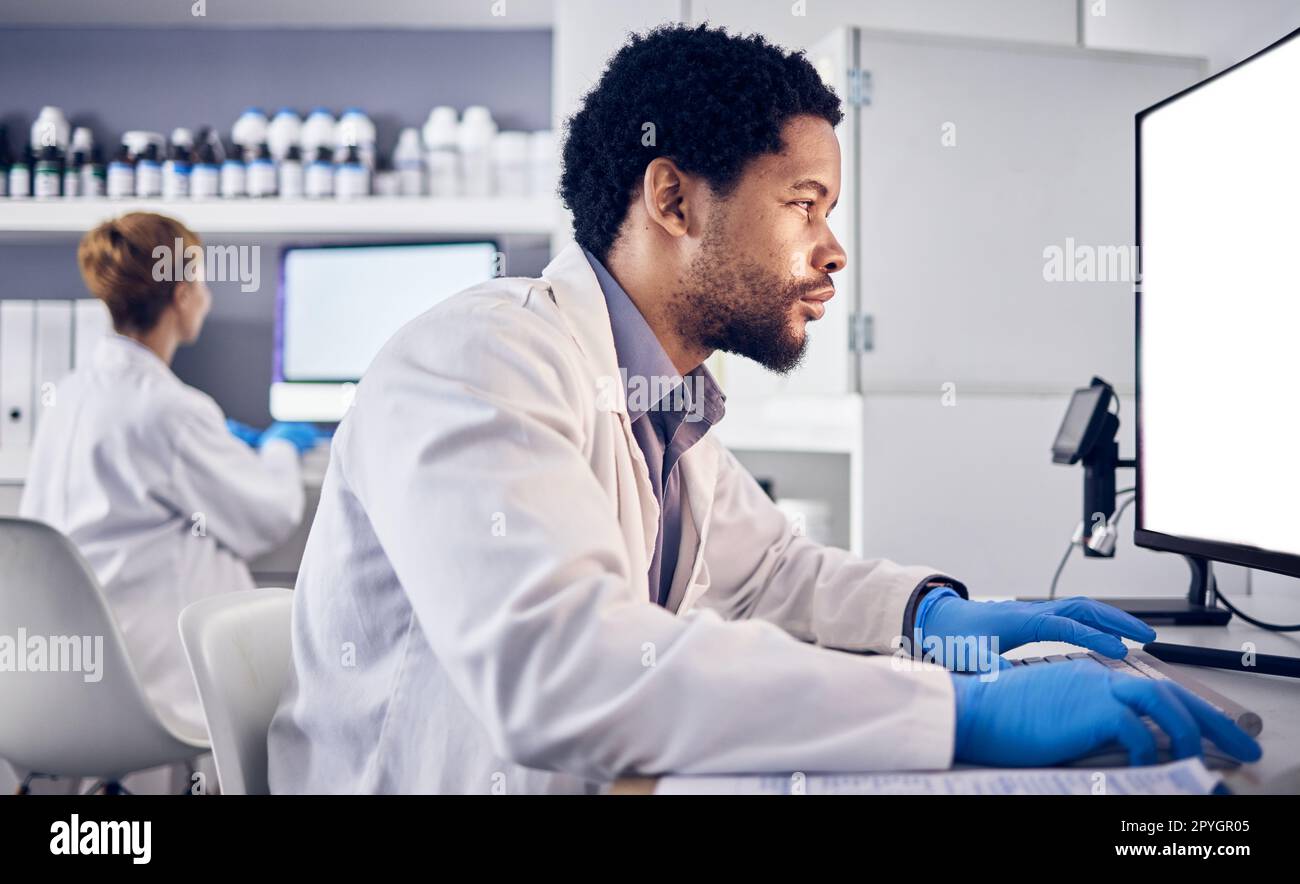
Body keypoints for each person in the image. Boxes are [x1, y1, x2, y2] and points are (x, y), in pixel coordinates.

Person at [267, 25, 1260, 794]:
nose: (833, 250)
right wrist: (958, 709)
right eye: (804, 203)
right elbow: (558, 669)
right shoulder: (482, 358)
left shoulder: (664, 398)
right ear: (674, 201)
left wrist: (936, 617)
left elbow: (774, 572)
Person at [21, 211, 317, 733]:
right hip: (153, 690)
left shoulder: (68, 393)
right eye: (201, 280)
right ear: (181, 295)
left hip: (52, 692)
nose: (207, 295)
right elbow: (271, 515)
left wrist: (214, 442)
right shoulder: (168, 409)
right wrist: (279, 449)